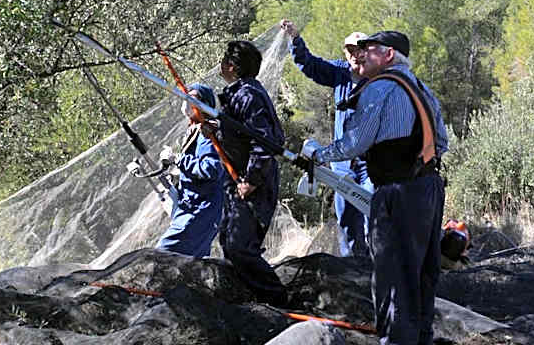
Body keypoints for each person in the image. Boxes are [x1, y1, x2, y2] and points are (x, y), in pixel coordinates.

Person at [304, 30, 449, 345]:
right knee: (423, 272)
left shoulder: (380, 88)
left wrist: (316, 157)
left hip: (397, 193)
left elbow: (355, 143)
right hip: (429, 187)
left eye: (369, 50)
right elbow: (441, 142)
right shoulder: (421, 88)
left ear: (388, 55)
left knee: (393, 277)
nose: (361, 56)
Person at [280, 18, 372, 258]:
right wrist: (295, 39)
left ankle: (379, 267)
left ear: (369, 52)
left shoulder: (381, 79)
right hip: (343, 162)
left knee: (374, 211)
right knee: (346, 215)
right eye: (351, 49)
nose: (356, 54)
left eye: (361, 48)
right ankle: (354, 266)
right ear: (346, 52)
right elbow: (310, 65)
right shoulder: (340, 72)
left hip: (373, 163)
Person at [205, 40, 287, 306]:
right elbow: (237, 132)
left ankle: (278, 302)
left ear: (230, 66)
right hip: (236, 179)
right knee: (229, 241)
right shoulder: (236, 94)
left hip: (254, 181)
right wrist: (214, 131)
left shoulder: (249, 96)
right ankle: (249, 300)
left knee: (241, 246)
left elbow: (263, 141)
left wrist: (251, 180)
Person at [155, 83, 226, 258]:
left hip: (200, 212)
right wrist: (178, 175)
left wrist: (178, 159)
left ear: (204, 105)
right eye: (187, 95)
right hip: (191, 208)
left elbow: (212, 169)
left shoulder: (206, 132)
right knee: (192, 267)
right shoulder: (194, 130)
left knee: (162, 256)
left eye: (194, 97)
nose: (187, 100)